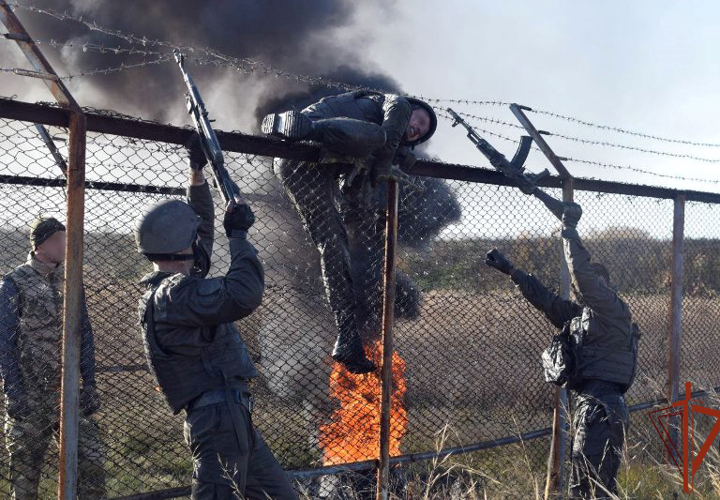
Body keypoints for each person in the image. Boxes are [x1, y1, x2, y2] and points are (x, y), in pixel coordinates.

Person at [134, 145, 297, 499]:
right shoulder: (176, 295)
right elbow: (243, 293)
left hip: (230, 416)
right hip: (219, 418)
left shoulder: (175, 286)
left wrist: (197, 174)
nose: (200, 241)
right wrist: (238, 238)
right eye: (193, 239)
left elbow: (201, 230)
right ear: (182, 246)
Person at [261, 90, 437, 373]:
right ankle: (303, 126)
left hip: (305, 169)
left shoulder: (373, 150)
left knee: (332, 245)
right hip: (305, 140)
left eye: (421, 132)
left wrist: (372, 181)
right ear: (413, 109)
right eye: (420, 120)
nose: (418, 129)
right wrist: (384, 166)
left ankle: (347, 336)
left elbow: (353, 197)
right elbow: (390, 132)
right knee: (380, 137)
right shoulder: (396, 106)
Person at [485, 202, 638, 499]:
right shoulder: (582, 317)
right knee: (591, 486)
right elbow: (545, 300)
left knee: (587, 489)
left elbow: (581, 275)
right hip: (592, 406)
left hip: (601, 407)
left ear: (602, 286)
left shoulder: (612, 311)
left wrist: (569, 230)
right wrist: (511, 270)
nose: (584, 290)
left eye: (594, 284)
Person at [0, 217, 105, 499]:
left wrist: (90, 384)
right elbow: (4, 341)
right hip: (30, 394)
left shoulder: (71, 279)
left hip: (69, 391)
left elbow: (85, 333)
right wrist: (14, 392)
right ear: (40, 245)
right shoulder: (14, 282)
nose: (64, 245)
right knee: (24, 476)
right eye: (58, 239)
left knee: (92, 465)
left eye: (66, 239)